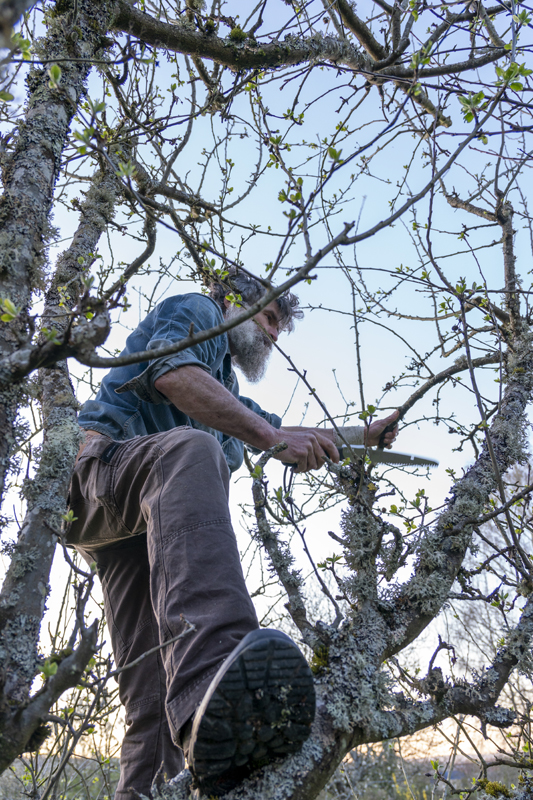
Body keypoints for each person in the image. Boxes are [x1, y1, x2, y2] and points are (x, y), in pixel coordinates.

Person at [66, 271, 398, 799]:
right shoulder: (199, 313)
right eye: (268, 317)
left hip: (131, 531)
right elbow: (170, 370)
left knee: (151, 702)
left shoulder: (227, 393)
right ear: (234, 302)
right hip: (100, 476)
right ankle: (213, 684)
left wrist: (363, 436)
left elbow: (286, 431)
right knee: (191, 450)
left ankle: (161, 767)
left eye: (279, 329)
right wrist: (266, 437)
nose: (272, 335)